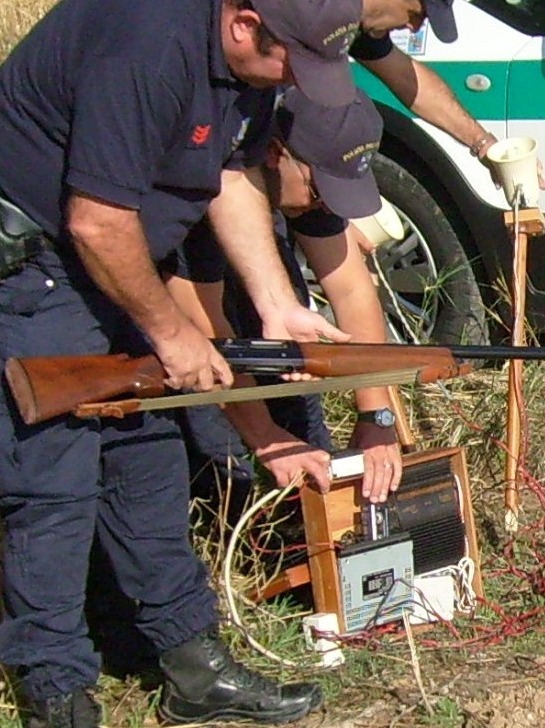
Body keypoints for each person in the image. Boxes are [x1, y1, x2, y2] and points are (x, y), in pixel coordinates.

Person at [0, 0, 362, 728]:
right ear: (244, 24)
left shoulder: (255, 55)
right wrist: (171, 334)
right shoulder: (148, 46)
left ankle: (190, 665)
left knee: (149, 461)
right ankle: (56, 706)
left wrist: (272, 300)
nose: (292, 82)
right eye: (288, 64)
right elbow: (93, 221)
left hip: (114, 257)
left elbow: (226, 172)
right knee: (50, 492)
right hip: (29, 260)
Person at [171, 85, 407, 507]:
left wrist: (377, 414)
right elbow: (204, 328)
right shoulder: (198, 196)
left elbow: (352, 289)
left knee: (304, 423)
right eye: (320, 193)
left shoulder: (305, 186)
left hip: (254, 230)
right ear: (275, 152)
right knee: (220, 464)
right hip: (171, 297)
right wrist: (267, 439)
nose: (324, 208)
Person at [308, 0, 544, 183]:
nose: (413, 28)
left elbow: (406, 78)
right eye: (415, 14)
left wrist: (485, 145)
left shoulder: (356, 8)